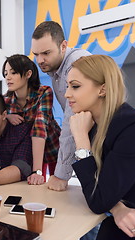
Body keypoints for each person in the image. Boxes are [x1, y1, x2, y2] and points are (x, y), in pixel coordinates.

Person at [67, 54, 135, 240]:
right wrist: (117, 207)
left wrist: (80, 138)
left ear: (103, 89)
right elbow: (99, 189)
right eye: (67, 86)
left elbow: (97, 200)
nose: (67, 93)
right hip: (125, 215)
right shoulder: (94, 126)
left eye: (75, 86)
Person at [31, 20, 91, 191]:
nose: (40, 60)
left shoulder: (76, 63)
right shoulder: (54, 68)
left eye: (46, 53)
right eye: (36, 54)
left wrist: (61, 175)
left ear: (63, 46)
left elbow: (70, 122)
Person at [2, 54, 60, 185]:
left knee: (56, 185)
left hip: (52, 148)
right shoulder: (6, 100)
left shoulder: (44, 92)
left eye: (14, 72)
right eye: (5, 74)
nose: (8, 77)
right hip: (28, 152)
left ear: (28, 74)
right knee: (34, 188)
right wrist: (7, 117)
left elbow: (39, 125)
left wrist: (37, 171)